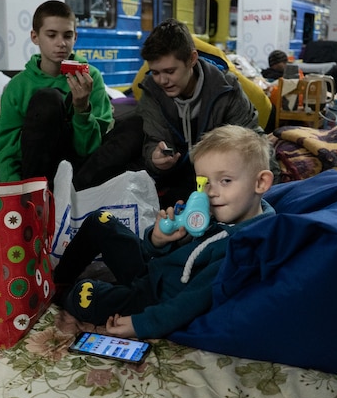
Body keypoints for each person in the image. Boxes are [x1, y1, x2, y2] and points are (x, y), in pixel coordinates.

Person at [52, 125, 276, 339]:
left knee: (84, 295)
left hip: (156, 297)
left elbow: (194, 299)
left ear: (260, 182)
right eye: (204, 183)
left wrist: (142, 324)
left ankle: (61, 295)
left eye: (225, 181)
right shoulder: (218, 212)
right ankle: (56, 280)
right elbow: (163, 251)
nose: (212, 193)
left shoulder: (244, 244)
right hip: (152, 270)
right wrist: (158, 240)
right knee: (100, 221)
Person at [0, 0, 143, 190]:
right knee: (48, 99)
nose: (61, 43)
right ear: (35, 37)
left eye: (68, 35)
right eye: (51, 35)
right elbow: (7, 152)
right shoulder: (18, 86)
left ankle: (73, 191)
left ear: (75, 37)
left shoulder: (91, 77)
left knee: (137, 124)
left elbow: (89, 149)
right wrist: (13, 197)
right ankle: (40, 193)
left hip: (82, 168)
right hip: (39, 170)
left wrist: (82, 109)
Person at [135, 18, 262, 207]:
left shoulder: (226, 90)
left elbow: (254, 141)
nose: (162, 80)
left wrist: (267, 198)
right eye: (155, 72)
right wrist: (155, 159)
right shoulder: (151, 93)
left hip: (222, 180)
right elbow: (151, 142)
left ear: (192, 59)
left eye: (169, 71)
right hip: (174, 184)